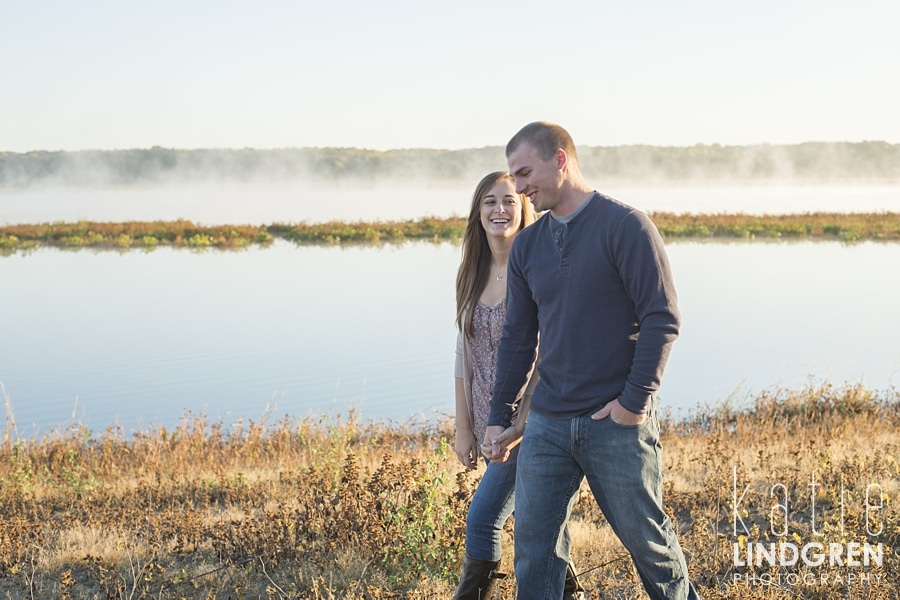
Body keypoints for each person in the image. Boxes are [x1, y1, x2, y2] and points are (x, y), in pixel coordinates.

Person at [484, 123, 700, 599]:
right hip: (547, 424)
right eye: (514, 178)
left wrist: (633, 404)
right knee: (535, 550)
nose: (518, 189)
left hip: (615, 423)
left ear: (560, 159)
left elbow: (662, 318)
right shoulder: (527, 246)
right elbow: (518, 338)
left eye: (524, 173)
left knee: (648, 544)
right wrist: (500, 417)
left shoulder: (625, 226)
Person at [452, 171, 584, 600]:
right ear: (477, 212)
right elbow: (464, 353)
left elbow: (548, 357)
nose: (500, 210)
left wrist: (519, 424)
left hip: (535, 420)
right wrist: (466, 428)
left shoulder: (538, 267)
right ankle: (569, 591)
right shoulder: (472, 272)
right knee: (536, 520)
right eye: (489, 201)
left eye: (509, 200)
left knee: (485, 517)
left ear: (525, 208)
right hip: (491, 425)